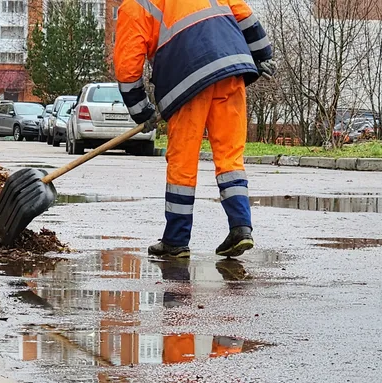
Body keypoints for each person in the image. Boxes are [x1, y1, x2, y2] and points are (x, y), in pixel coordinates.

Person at [114, 0, 274, 258]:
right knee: (230, 156)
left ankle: (176, 241)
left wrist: (141, 109)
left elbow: (128, 62)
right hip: (230, 69)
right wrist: (263, 54)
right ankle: (241, 228)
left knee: (183, 162)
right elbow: (243, 13)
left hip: (185, 78)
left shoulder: (135, 4)